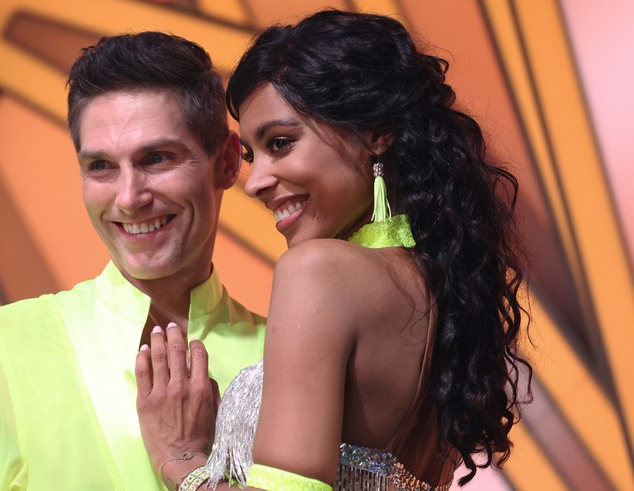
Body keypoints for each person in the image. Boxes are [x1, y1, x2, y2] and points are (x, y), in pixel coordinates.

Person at [135, 10, 529, 491]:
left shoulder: (319, 272)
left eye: (281, 143)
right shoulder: (440, 287)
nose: (255, 182)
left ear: (374, 132)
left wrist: (181, 460)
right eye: (253, 156)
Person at [0, 32, 266, 490]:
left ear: (227, 162)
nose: (129, 199)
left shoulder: (286, 360)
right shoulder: (0, 350)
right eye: (101, 167)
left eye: (157, 158)